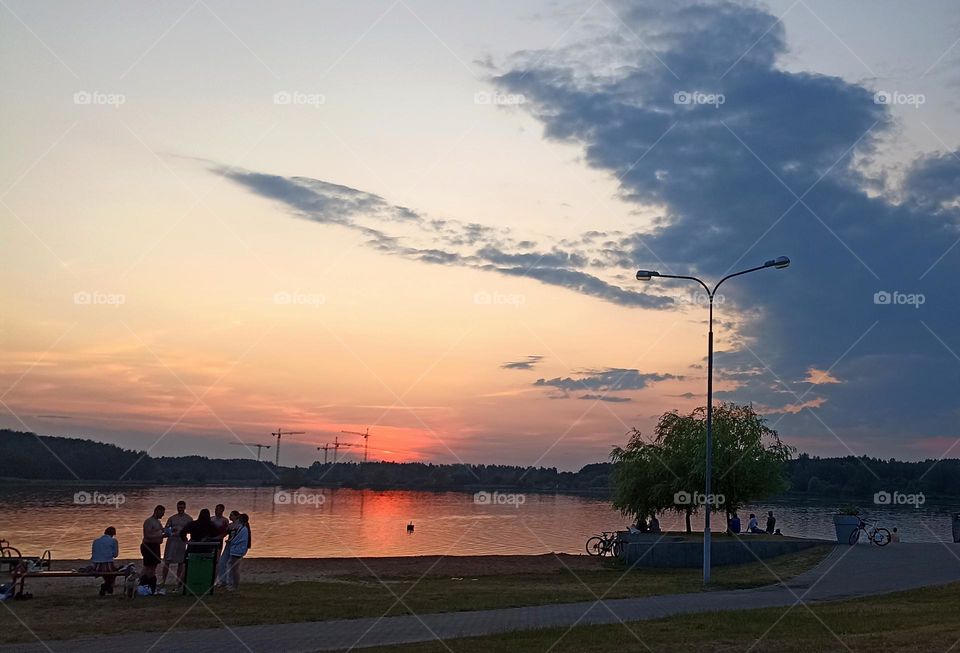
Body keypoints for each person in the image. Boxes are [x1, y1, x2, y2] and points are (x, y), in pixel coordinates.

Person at [160, 500, 192, 590]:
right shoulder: (172, 518)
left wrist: (183, 532)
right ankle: (163, 580)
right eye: (178, 507)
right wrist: (171, 530)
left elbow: (191, 530)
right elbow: (166, 529)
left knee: (180, 562)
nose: (180, 509)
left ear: (184, 508)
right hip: (172, 540)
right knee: (167, 561)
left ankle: (178, 580)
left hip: (181, 541)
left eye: (182, 507)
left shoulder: (188, 519)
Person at [140, 505, 166, 594]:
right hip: (148, 546)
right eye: (162, 513)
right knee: (148, 566)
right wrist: (161, 535)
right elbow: (147, 535)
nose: (162, 515)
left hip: (155, 546)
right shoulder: (149, 521)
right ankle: (143, 584)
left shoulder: (158, 522)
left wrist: (168, 532)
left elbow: (161, 531)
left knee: (153, 566)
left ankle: (150, 585)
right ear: (156, 511)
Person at [225, 513, 251, 591]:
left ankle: (234, 585)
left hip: (238, 550)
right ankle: (232, 584)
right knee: (233, 567)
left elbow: (239, 539)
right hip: (236, 549)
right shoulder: (242, 528)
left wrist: (231, 542)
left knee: (234, 568)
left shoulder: (243, 529)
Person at [215, 510, 241, 587]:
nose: (230, 516)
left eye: (232, 515)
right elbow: (224, 533)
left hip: (235, 546)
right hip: (228, 545)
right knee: (222, 561)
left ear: (236, 516)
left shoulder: (239, 526)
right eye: (230, 515)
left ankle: (232, 582)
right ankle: (223, 580)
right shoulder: (230, 525)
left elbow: (239, 536)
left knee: (232, 564)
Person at [91, 526, 119, 596]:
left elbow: (93, 554)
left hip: (96, 566)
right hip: (107, 565)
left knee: (109, 573)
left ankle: (107, 586)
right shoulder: (113, 541)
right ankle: (106, 586)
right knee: (114, 572)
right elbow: (115, 555)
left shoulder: (96, 541)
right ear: (113, 534)